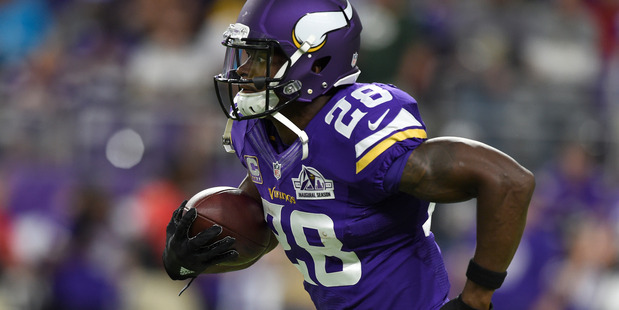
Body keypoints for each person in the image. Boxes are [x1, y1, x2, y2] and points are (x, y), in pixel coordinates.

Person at [162, 0, 535, 309]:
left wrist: (475, 299)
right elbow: (277, 213)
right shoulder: (259, 128)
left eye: (261, 59)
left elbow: (508, 182)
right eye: (244, 57)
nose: (243, 73)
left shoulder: (356, 130)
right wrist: (194, 255)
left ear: (317, 62)